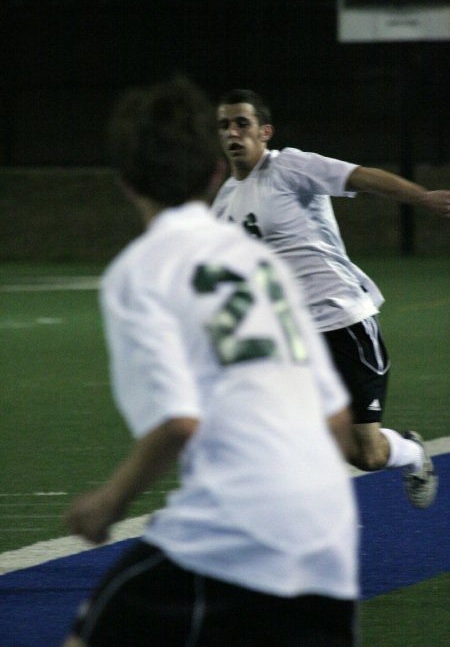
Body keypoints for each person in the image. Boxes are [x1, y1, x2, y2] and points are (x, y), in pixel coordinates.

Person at [62, 76, 359, 647]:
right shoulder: (261, 264)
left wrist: (107, 504)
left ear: (125, 182)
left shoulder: (141, 270)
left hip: (234, 527)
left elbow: (177, 421)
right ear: (214, 173)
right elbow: (336, 419)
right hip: (329, 532)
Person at [212, 89, 447, 509]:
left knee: (368, 455)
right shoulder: (225, 202)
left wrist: (421, 197)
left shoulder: (290, 167)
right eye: (225, 125)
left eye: (241, 123)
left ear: (264, 132)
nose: (233, 132)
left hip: (344, 324)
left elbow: (361, 177)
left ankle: (411, 453)